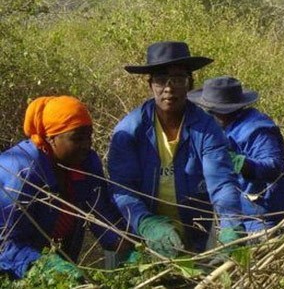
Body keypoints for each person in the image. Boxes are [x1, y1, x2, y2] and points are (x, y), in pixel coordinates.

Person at [107, 41, 243, 258]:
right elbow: (122, 188)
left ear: (190, 84)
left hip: (194, 232)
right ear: (150, 85)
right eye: (161, 80)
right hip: (139, 235)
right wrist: (146, 223)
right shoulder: (130, 130)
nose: (169, 88)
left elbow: (221, 183)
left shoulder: (206, 128)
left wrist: (231, 226)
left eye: (178, 79)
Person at [0, 96, 130, 280]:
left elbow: (100, 212)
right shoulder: (20, 172)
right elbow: (5, 243)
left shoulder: (86, 164)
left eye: (89, 137)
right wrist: (46, 267)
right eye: (77, 138)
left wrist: (124, 245)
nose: (86, 145)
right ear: (51, 138)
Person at [188, 76, 284, 236]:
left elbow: (274, 166)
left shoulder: (257, 129)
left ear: (224, 110)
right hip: (234, 215)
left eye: (211, 110)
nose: (207, 113)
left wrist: (239, 163)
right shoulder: (217, 129)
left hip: (263, 219)